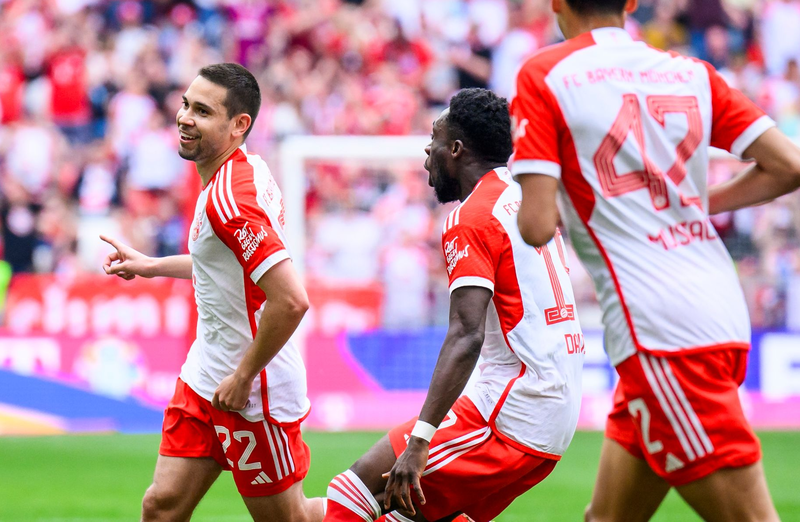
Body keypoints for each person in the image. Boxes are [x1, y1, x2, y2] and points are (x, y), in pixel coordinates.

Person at [510, 0, 800, 522]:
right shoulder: (689, 72)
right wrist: (693, 202)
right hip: (716, 307)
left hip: (660, 334)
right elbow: (788, 165)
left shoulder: (545, 74)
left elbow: (536, 225)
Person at [323, 88, 584, 522]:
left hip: (512, 411)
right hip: (555, 412)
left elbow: (466, 334)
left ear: (457, 149)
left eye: (435, 139)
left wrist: (420, 441)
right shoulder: (527, 202)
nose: (427, 150)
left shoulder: (473, 216)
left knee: (352, 493)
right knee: (407, 516)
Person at [101, 63, 325, 522]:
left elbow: (291, 300)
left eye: (202, 111)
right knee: (160, 508)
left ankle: (379, 508)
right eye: (186, 104)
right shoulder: (243, 170)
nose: (185, 118)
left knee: (291, 519)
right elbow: (223, 266)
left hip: (251, 390)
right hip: (205, 376)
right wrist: (151, 266)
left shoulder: (232, 202)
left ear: (239, 125)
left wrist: (244, 376)